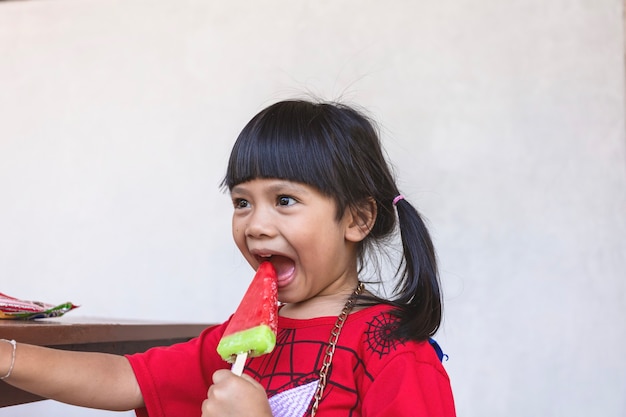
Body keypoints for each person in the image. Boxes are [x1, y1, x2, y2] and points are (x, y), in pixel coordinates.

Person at [0, 99, 456, 417]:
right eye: (242, 202)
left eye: (284, 200)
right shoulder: (241, 341)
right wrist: (6, 355)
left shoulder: (394, 351)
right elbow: (124, 378)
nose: (254, 224)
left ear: (356, 218)